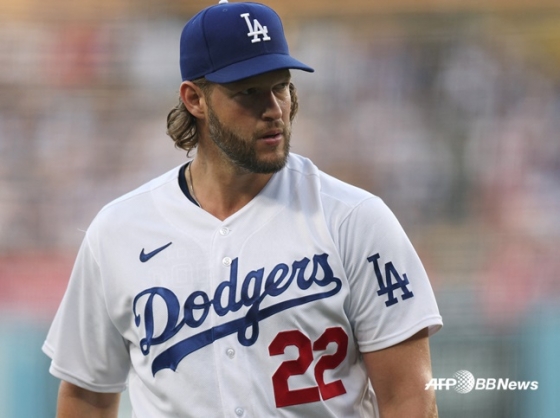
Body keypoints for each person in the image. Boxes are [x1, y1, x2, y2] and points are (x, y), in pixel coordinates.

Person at [43, 1, 443, 417]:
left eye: (280, 86)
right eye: (248, 92)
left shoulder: (353, 219)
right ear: (194, 99)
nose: (274, 109)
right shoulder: (118, 231)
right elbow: (87, 395)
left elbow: (409, 398)